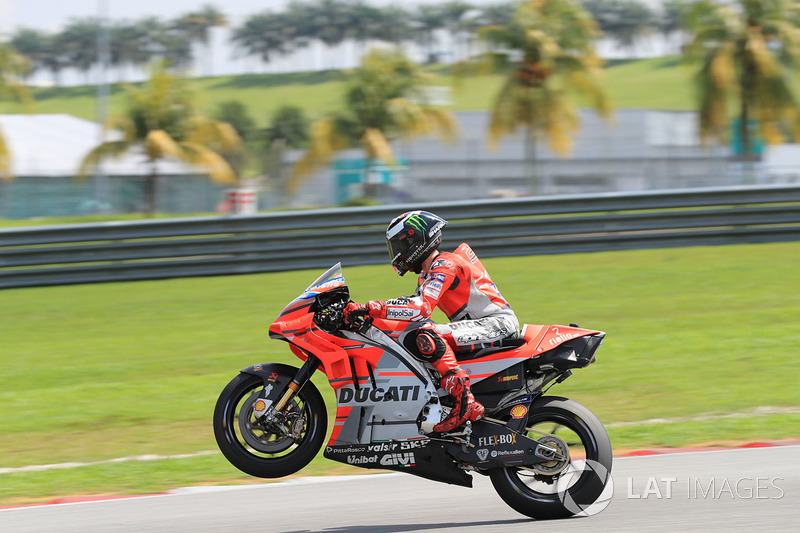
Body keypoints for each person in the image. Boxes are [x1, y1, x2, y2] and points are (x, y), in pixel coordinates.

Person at [343, 210, 520, 433]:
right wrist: (367, 316)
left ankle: (465, 402)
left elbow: (422, 308)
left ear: (415, 240)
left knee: (426, 335)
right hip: (482, 325)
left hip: (497, 323)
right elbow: (409, 308)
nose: (396, 253)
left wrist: (372, 307)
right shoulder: (427, 273)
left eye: (399, 245)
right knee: (409, 336)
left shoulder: (445, 264)